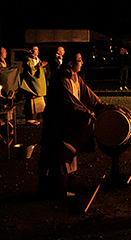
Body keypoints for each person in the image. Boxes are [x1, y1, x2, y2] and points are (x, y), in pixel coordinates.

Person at [37, 53, 103, 198]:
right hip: (58, 124)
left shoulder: (75, 78)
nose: (82, 63)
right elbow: (71, 103)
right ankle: (55, 191)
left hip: (68, 125)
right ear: (71, 63)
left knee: (67, 158)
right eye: (80, 60)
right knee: (58, 156)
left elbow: (88, 95)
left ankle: (60, 189)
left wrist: (100, 106)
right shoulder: (61, 80)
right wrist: (88, 113)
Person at [20, 45, 47, 125]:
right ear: (31, 51)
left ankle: (36, 117)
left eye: (37, 49)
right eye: (35, 49)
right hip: (32, 83)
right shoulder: (28, 60)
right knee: (32, 100)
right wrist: (40, 66)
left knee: (39, 100)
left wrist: (41, 67)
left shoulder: (38, 59)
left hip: (39, 83)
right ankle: (30, 118)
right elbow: (31, 72)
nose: (37, 51)